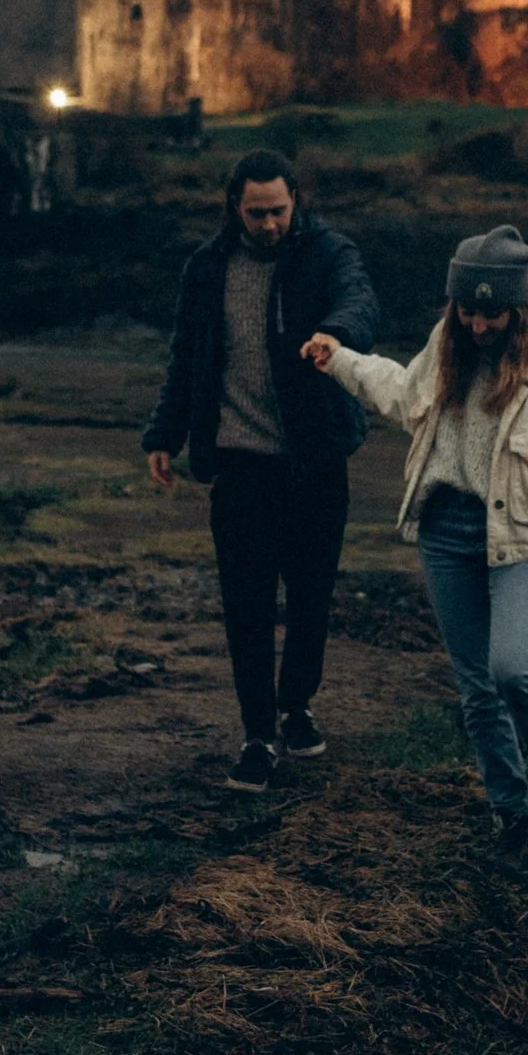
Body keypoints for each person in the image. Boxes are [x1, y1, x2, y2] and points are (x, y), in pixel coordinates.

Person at [301, 225, 528, 869]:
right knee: (476, 688)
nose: (478, 324)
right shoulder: (446, 347)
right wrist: (340, 359)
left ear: (518, 310)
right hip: (445, 532)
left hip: (521, 540)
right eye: (467, 310)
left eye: (492, 312)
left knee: (511, 667)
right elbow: (401, 394)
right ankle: (513, 819)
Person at [143, 149, 381, 792]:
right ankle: (256, 735)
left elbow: (361, 303)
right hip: (240, 464)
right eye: (256, 213)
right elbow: (185, 358)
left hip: (315, 462)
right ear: (235, 208)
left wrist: (335, 334)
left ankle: (295, 704)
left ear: (295, 200)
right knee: (245, 604)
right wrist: (165, 435)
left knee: (309, 599)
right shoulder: (207, 267)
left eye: (278, 211)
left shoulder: (330, 254)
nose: (269, 224)